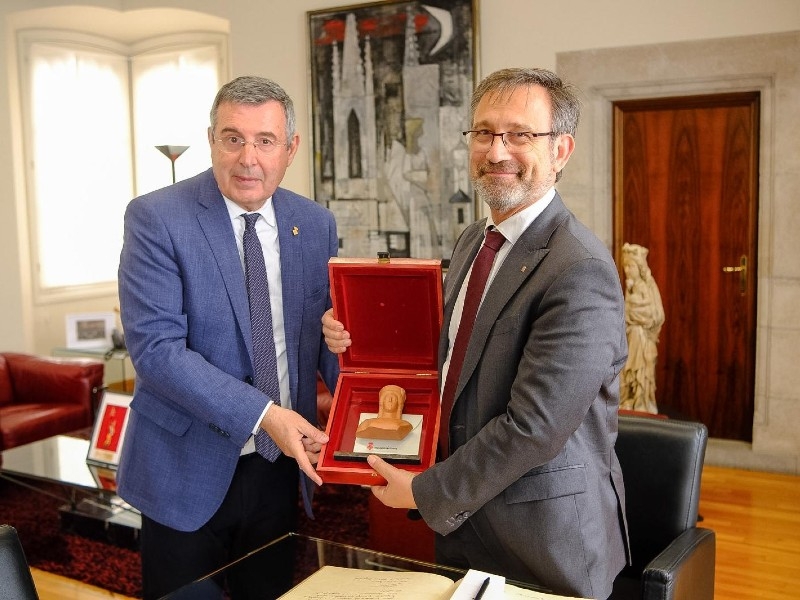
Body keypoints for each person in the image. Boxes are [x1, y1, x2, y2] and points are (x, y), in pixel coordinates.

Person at [323, 68, 630, 599]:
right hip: (466, 525)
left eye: (519, 134)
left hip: (541, 541)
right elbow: (453, 359)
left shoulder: (579, 268)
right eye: (484, 132)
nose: (496, 150)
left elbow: (534, 427)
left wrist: (425, 491)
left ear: (561, 150)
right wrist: (357, 336)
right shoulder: (474, 240)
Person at [117, 75, 339, 599]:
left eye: (265, 141)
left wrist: (365, 402)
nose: (248, 158)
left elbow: (329, 341)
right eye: (233, 138)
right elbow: (157, 353)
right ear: (211, 140)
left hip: (279, 467)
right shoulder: (156, 218)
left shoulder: (315, 224)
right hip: (183, 470)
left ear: (290, 149)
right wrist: (265, 415)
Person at [619, 243, 665, 414]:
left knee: (641, 372)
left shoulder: (646, 286)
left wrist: (630, 310)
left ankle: (641, 401)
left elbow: (653, 313)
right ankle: (629, 398)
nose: (627, 270)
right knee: (627, 370)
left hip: (642, 339)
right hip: (631, 338)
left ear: (640, 267)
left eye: (631, 266)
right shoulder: (631, 286)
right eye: (625, 267)